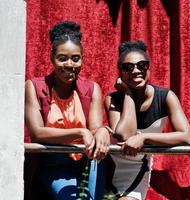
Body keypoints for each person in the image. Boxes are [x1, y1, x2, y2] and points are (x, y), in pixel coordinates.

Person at [25, 20, 110, 200]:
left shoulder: (91, 88)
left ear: (82, 58)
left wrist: (101, 131)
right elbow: (37, 132)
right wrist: (80, 131)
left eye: (75, 58)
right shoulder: (34, 87)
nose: (69, 64)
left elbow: (95, 128)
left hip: (88, 161)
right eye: (62, 58)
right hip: (53, 163)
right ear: (51, 57)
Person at [104, 40, 190, 200]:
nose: (136, 71)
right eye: (128, 67)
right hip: (108, 164)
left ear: (149, 68)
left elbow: (186, 136)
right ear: (120, 73)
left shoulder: (166, 97)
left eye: (141, 65)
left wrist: (144, 137)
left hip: (136, 168)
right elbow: (124, 135)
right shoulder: (113, 98)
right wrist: (128, 95)